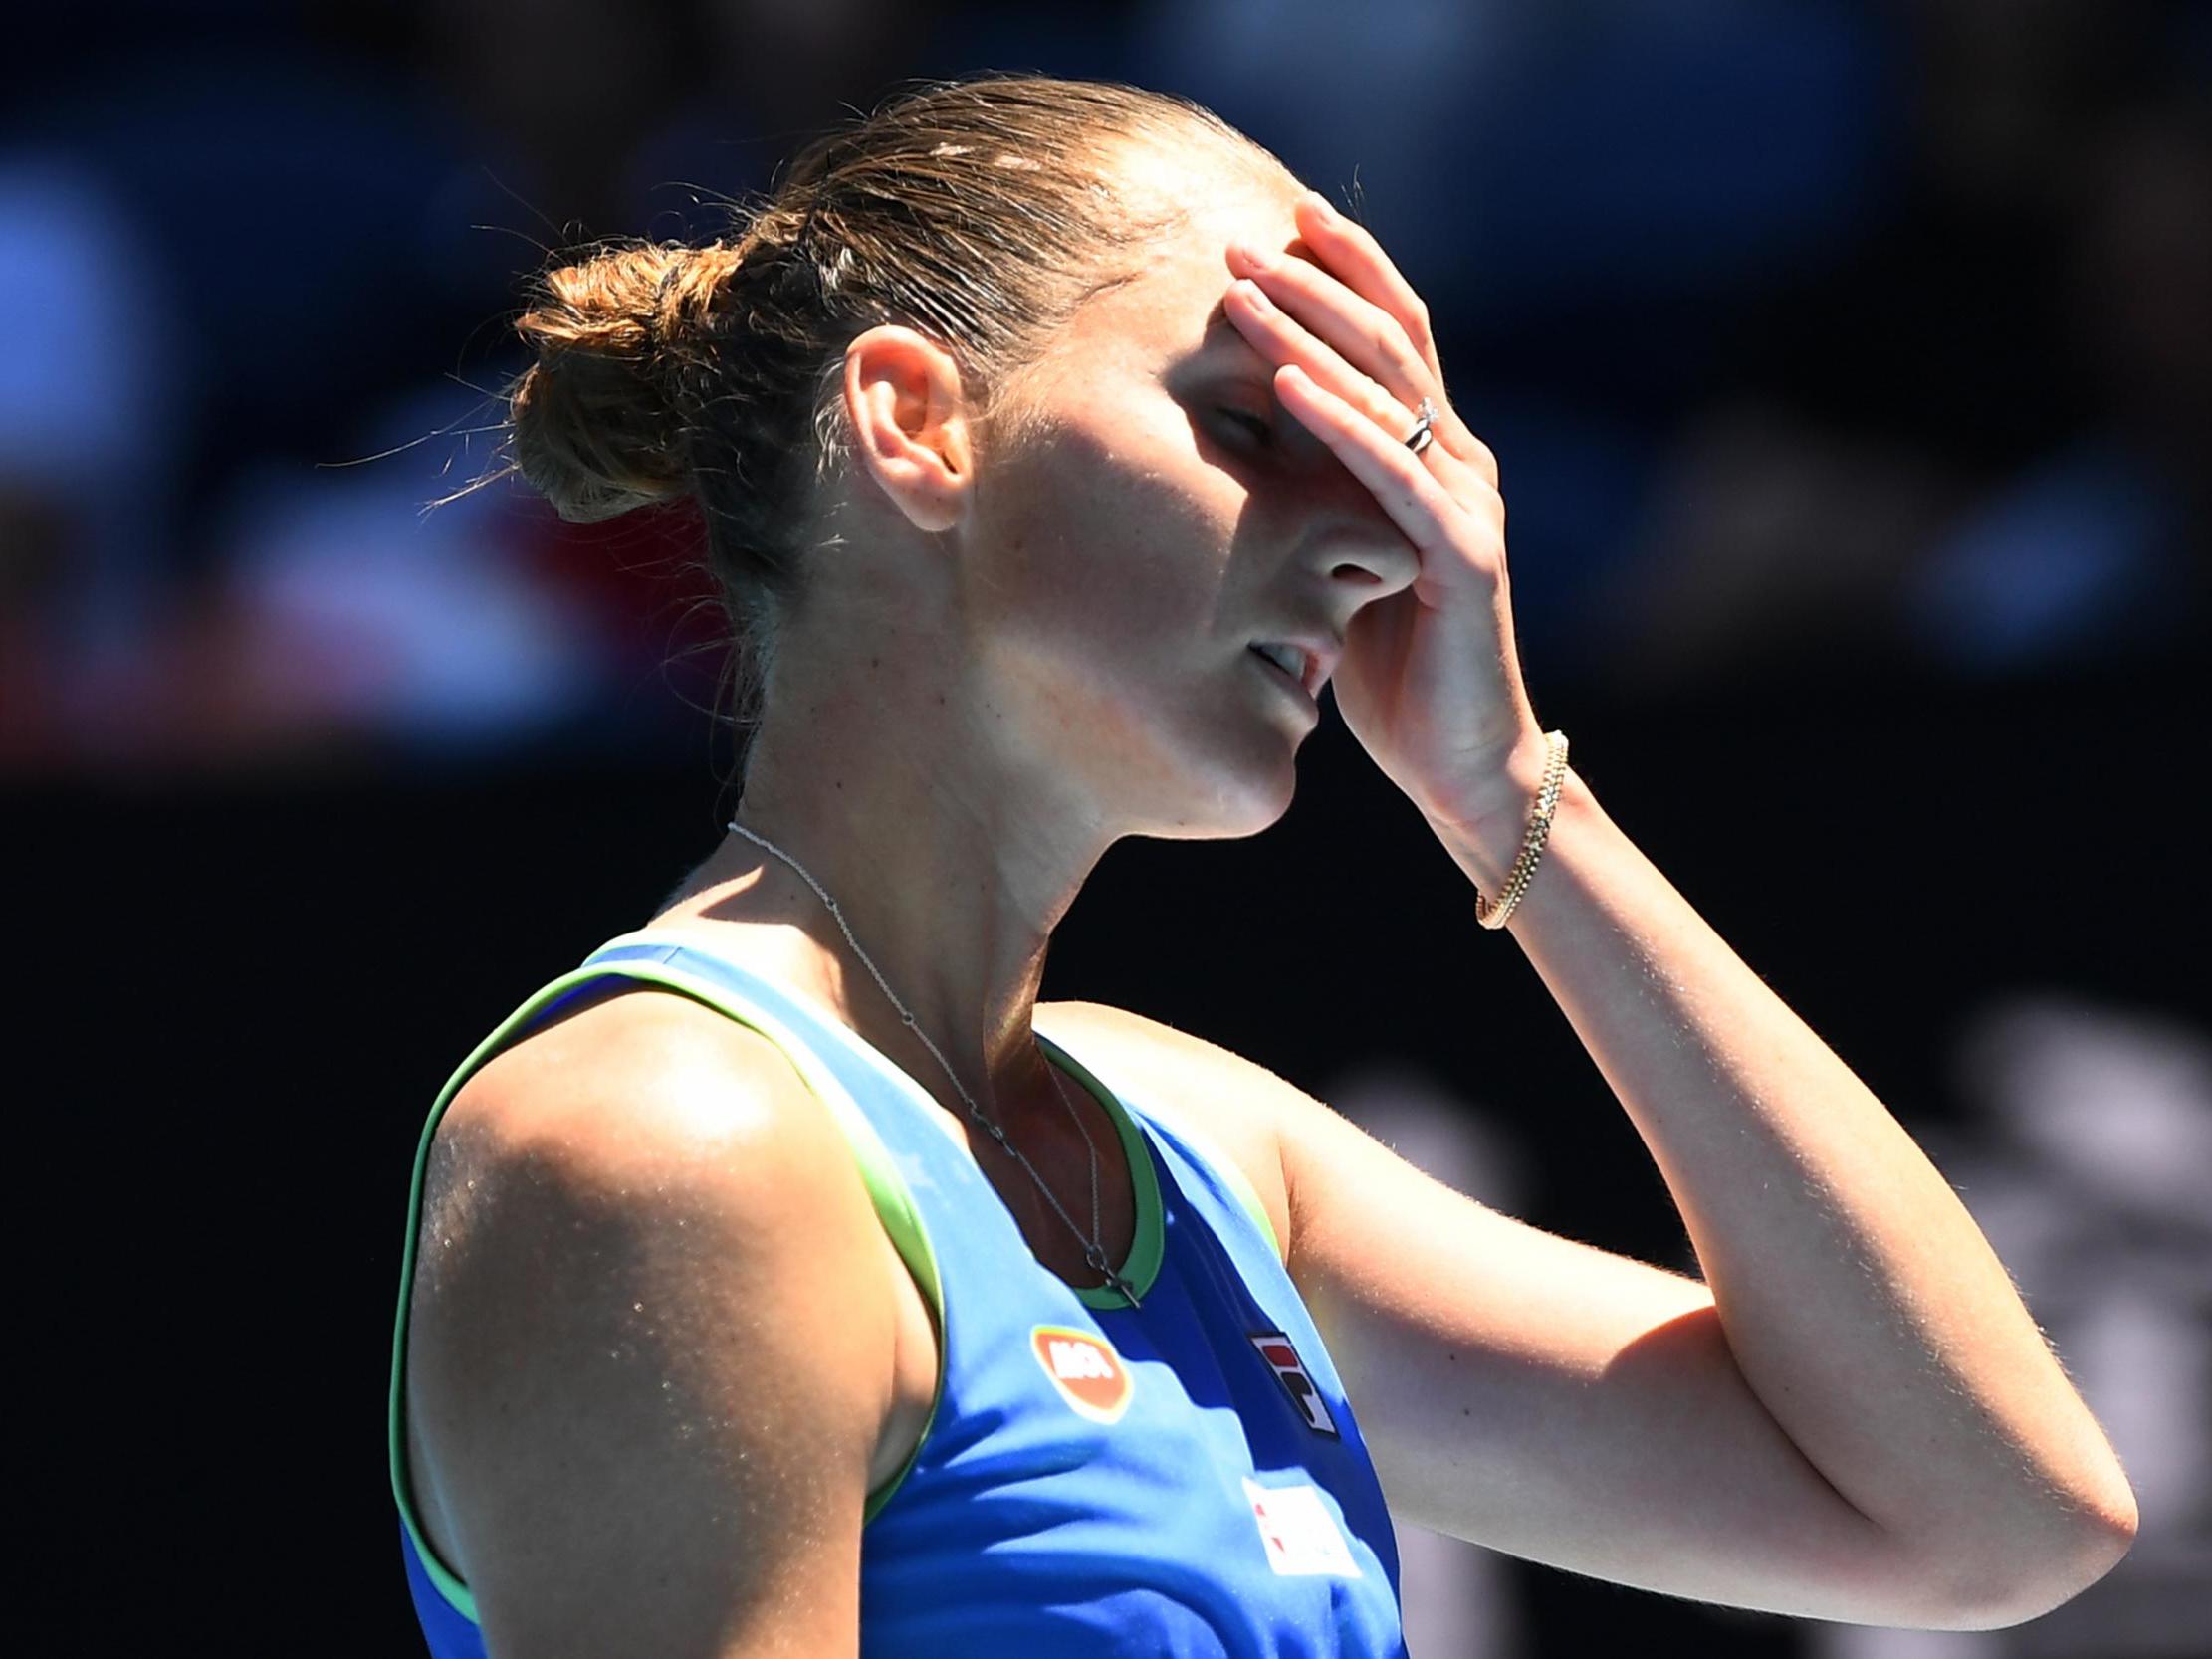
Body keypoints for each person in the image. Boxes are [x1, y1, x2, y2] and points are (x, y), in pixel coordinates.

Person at [387, 72, 2139, 1658]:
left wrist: (1515, 792)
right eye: (1251, 425)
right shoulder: (662, 1149)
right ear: (918, 424)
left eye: (1380, 454)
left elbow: (1991, 1523)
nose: (1378, 539)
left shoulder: (1205, 1151)